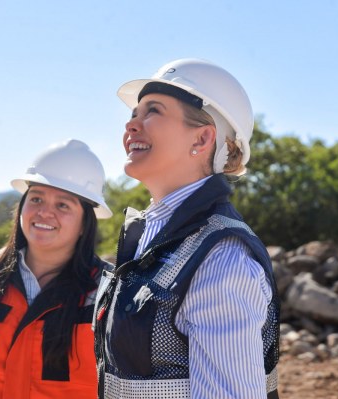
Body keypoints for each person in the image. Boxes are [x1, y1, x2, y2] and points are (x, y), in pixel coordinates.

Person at [93, 59, 280, 398]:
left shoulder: (221, 259)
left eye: (153, 111)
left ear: (203, 138)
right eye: (134, 113)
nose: (131, 124)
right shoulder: (152, 236)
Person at [0, 138, 113, 398]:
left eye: (63, 205)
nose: (44, 212)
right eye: (36, 199)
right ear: (21, 208)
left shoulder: (107, 290)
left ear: (84, 224)